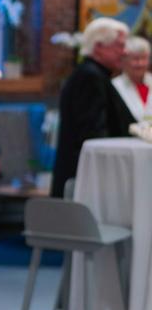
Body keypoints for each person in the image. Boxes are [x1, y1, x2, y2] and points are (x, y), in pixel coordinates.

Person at [52, 17, 133, 197]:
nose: (125, 52)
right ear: (98, 47)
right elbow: (93, 134)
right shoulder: (90, 77)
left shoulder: (94, 74)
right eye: (119, 46)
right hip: (87, 179)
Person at [112, 35, 152, 121]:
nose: (140, 63)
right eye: (135, 59)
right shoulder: (114, 86)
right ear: (123, 60)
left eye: (144, 58)